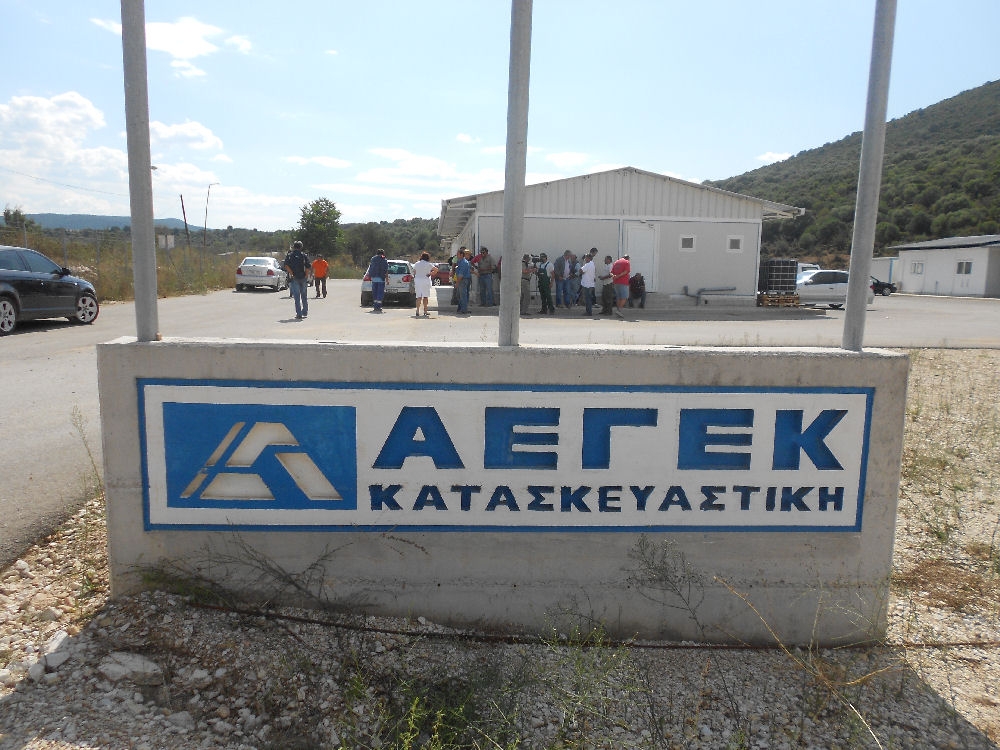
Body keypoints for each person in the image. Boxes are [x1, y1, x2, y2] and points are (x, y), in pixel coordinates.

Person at [283, 240, 310, 319]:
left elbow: (286, 266)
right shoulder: (304, 255)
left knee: (297, 297)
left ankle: (299, 314)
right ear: (301, 247)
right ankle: (305, 311)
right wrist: (306, 276)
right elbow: (308, 266)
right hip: (303, 277)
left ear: (294, 247)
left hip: (294, 278)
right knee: (304, 295)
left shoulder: (290, 255)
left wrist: (292, 274)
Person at [366, 248, 389, 312]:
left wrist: (370, 276)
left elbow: (370, 267)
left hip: (374, 279)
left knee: (375, 293)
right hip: (381, 279)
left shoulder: (373, 259)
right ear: (383, 253)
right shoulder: (384, 259)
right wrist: (387, 279)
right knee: (380, 293)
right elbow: (386, 270)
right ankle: (378, 306)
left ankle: (375, 306)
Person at [413, 251, 434, 317]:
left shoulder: (416, 263)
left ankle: (417, 310)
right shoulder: (428, 264)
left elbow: (414, 272)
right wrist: (430, 274)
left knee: (418, 296)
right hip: (425, 280)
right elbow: (436, 269)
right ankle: (425, 311)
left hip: (418, 281)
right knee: (425, 296)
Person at [610, 253, 631, 319]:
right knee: (625, 297)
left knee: (619, 297)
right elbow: (626, 271)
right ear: (627, 258)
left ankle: (618, 311)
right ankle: (619, 311)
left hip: (616, 282)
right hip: (623, 282)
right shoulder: (626, 262)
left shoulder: (616, 262)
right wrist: (618, 276)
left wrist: (614, 276)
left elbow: (611, 272)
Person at [454, 248, 472, 314]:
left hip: (463, 280)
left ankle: (464, 310)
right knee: (460, 295)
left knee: (463, 295)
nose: (457, 255)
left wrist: (457, 283)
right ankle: (460, 308)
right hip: (462, 280)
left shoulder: (463, 263)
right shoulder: (460, 261)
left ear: (461, 255)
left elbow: (461, 275)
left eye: (458, 254)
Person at [579, 251, 597, 316]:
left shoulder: (587, 264)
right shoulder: (592, 264)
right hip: (591, 284)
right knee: (588, 298)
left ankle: (588, 312)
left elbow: (581, 271)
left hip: (587, 284)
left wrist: (581, 270)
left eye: (585, 258)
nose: (585, 259)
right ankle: (589, 311)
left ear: (588, 258)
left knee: (587, 299)